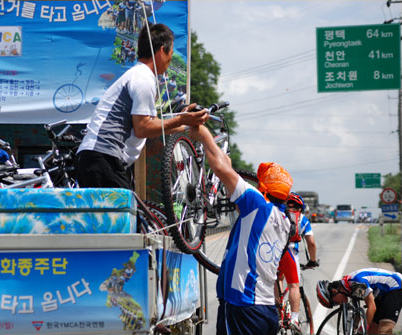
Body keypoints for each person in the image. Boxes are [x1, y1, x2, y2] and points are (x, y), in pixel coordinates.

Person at [188, 125, 293, 335]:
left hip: (244, 307)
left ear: (263, 187)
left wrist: (202, 132)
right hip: (267, 309)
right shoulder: (285, 221)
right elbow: (228, 176)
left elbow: (220, 168)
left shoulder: (256, 204)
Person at [76, 23, 208, 189]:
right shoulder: (143, 78)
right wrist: (182, 119)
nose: (170, 59)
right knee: (125, 215)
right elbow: (143, 128)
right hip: (103, 157)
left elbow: (153, 125)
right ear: (161, 51)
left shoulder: (139, 75)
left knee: (130, 215)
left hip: (101, 157)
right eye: (171, 53)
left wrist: (185, 123)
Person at [276, 192, 319, 332]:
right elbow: (311, 243)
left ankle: (278, 314)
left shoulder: (278, 214)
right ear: (301, 207)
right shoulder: (302, 219)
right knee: (294, 285)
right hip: (290, 253)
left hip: (275, 252)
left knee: (278, 280)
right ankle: (294, 318)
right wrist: (312, 260)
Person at [316, 268, 402, 334]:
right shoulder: (347, 287)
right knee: (372, 330)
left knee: (384, 329)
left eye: (335, 302)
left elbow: (372, 307)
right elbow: (357, 313)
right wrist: (355, 328)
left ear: (335, 291)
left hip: (396, 286)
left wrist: (361, 330)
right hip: (383, 293)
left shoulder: (356, 283)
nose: (338, 304)